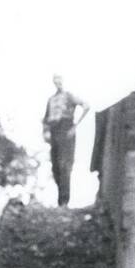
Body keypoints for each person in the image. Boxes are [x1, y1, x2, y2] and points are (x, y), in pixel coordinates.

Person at [42, 74, 89, 207]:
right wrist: (45, 133)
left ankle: (64, 201)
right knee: (55, 166)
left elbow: (86, 105)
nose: (57, 82)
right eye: (55, 79)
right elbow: (45, 119)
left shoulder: (69, 96)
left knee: (65, 165)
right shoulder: (51, 99)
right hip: (54, 131)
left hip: (66, 129)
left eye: (59, 79)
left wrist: (75, 126)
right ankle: (60, 199)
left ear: (63, 80)